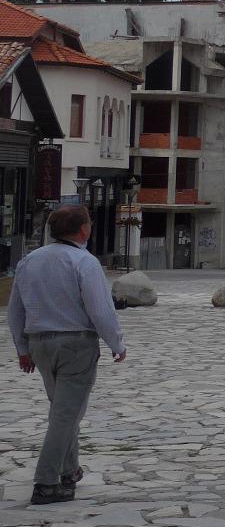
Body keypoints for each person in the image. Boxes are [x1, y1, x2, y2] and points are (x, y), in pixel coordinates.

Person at [8, 204, 128, 506]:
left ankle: (69, 470)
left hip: (39, 344)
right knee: (65, 415)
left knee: (64, 410)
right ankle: (46, 483)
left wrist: (22, 349)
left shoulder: (29, 261)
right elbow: (100, 309)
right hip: (76, 345)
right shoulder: (84, 262)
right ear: (83, 229)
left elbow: (15, 310)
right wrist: (116, 342)